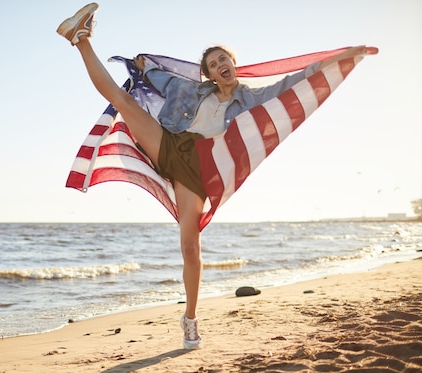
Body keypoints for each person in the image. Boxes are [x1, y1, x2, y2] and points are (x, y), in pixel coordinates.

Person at [57, 3, 368, 350]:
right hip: (172, 145)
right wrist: (144, 67)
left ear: (234, 65)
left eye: (225, 60)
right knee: (121, 100)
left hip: (203, 170)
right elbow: (158, 77)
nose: (222, 65)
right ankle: (81, 39)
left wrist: (343, 58)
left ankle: (189, 319)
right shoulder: (189, 90)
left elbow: (294, 81)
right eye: (214, 63)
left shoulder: (252, 99)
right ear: (207, 74)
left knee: (190, 247)